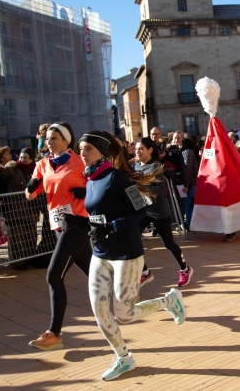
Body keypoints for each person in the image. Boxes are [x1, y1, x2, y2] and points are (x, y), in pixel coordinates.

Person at [78, 131, 185, 381]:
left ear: (102, 153)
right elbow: (96, 215)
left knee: (124, 314)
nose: (82, 154)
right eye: (81, 149)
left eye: (88, 149)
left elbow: (140, 210)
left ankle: (169, 301)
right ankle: (124, 358)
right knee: (99, 310)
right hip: (101, 254)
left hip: (126, 254)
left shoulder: (117, 178)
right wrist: (78, 222)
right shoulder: (90, 178)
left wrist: (112, 227)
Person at [25, 122, 91, 351]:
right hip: (58, 225)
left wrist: (87, 191)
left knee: (53, 276)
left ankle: (54, 333)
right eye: (47, 138)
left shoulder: (79, 161)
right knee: (94, 272)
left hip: (79, 223)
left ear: (66, 140)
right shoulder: (42, 164)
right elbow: (30, 195)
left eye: (54, 138)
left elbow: (100, 183)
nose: (49, 142)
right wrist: (32, 184)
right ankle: (129, 297)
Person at [133, 137, 192, 287]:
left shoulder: (156, 167)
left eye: (141, 149)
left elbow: (160, 190)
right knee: (131, 240)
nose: (137, 152)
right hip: (142, 211)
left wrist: (141, 187)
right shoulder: (135, 167)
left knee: (168, 243)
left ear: (150, 150)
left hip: (158, 211)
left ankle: (185, 269)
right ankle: (145, 272)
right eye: (136, 149)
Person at [0, 146, 37, 269]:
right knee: (17, 238)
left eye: (26, 157)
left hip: (31, 209)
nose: (23, 160)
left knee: (31, 236)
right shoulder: (14, 168)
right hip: (16, 209)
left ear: (32, 159)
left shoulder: (34, 170)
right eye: (21, 157)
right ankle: (18, 262)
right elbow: (3, 173)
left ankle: (30, 258)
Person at [180, 137, 198, 232]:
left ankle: (191, 223)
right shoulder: (188, 152)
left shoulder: (185, 152)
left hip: (190, 182)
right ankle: (191, 224)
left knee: (189, 203)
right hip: (191, 182)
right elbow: (187, 169)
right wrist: (187, 185)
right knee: (190, 203)